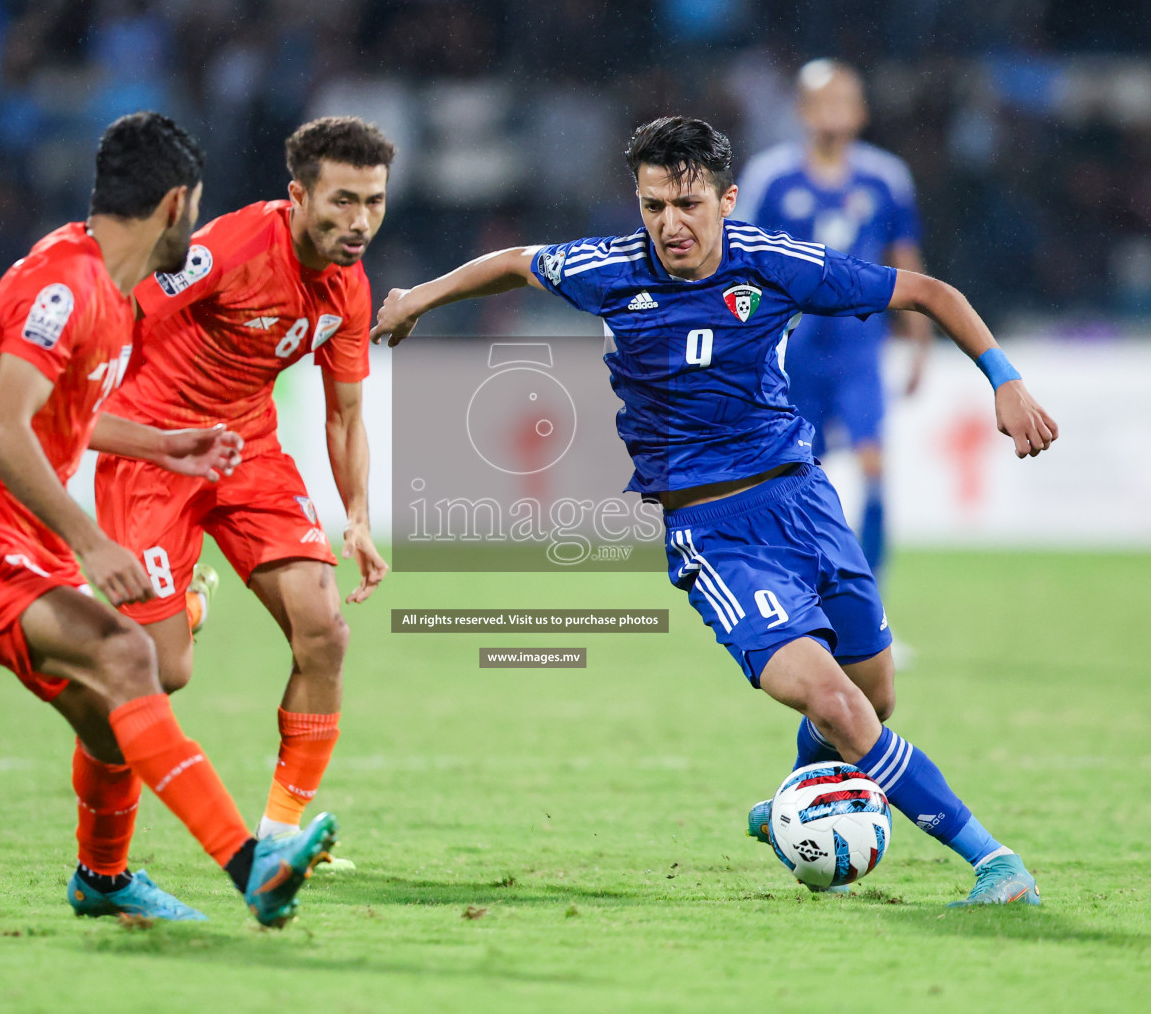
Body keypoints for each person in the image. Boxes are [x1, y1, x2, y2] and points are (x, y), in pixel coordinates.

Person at [370, 116, 1058, 906]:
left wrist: (1003, 379)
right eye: (654, 205)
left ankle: (793, 805)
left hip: (804, 504)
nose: (671, 224)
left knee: (871, 698)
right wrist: (418, 299)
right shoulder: (610, 269)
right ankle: (994, 860)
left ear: (727, 200)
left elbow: (930, 293)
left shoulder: (773, 264)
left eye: (688, 203)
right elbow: (516, 264)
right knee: (833, 701)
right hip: (717, 534)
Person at [0, 112, 336, 927]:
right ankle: (253, 870)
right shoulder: (68, 287)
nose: (197, 227)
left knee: (109, 715)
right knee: (128, 654)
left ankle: (101, 881)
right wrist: (93, 542)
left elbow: (48, 406)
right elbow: (4, 426)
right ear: (176, 205)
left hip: (22, 552)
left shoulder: (102, 285)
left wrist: (164, 443)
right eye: (196, 210)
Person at [95, 116, 392, 847]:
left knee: (324, 631)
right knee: (164, 672)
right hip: (153, 449)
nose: (360, 223)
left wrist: (356, 515)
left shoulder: (348, 289)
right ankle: (184, 611)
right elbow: (118, 300)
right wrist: (7, 384)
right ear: (298, 194)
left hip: (244, 450)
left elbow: (345, 416)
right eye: (343, 201)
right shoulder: (230, 248)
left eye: (375, 202)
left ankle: (282, 837)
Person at [733, 59, 930, 582]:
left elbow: (905, 261)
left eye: (844, 101)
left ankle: (874, 606)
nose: (833, 112)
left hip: (858, 350)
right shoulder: (770, 178)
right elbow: (739, 262)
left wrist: (919, 344)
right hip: (793, 354)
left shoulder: (885, 177)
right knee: (796, 478)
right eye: (822, 101)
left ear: (862, 112)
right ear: (801, 110)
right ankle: (800, 601)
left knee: (873, 469)